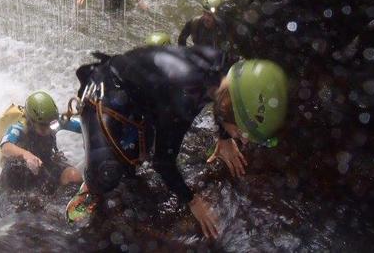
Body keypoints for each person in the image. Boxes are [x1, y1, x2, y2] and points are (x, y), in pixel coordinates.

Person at [65, 46, 288, 240]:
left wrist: (225, 138)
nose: (243, 138)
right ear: (229, 107)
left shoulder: (227, 68)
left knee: (137, 157)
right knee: (110, 172)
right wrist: (192, 201)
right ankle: (91, 184)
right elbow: (163, 163)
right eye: (241, 130)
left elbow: (226, 105)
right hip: (104, 92)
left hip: (144, 93)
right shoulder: (183, 98)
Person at [0, 91, 83, 192]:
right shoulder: (20, 127)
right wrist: (26, 155)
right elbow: (5, 146)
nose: (48, 130)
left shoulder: (55, 121)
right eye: (43, 126)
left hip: (46, 162)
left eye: (50, 125)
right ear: (31, 122)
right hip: (22, 170)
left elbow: (83, 127)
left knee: (73, 176)